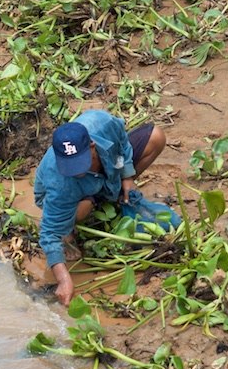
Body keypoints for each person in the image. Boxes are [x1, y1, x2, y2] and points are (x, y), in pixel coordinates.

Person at [33, 110, 167, 306]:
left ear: (92, 146)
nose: (75, 171)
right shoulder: (62, 179)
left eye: (79, 163)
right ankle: (70, 229)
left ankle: (115, 191)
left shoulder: (102, 124)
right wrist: (63, 280)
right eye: (70, 166)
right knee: (81, 210)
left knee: (156, 137)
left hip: (106, 172)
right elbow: (49, 233)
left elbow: (121, 140)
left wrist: (127, 175)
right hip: (71, 192)